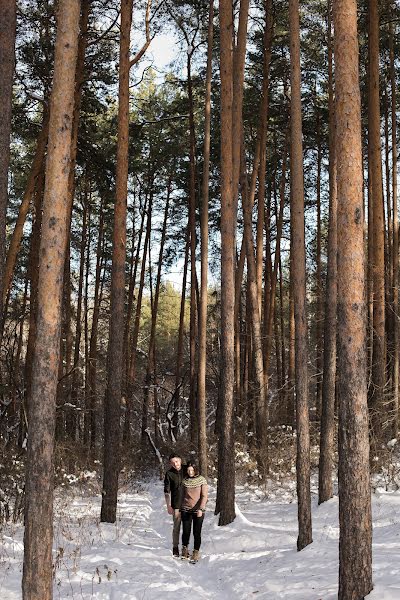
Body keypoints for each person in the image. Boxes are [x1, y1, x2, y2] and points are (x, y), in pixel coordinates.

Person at [180, 464, 208, 563]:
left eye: (192, 470)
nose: (190, 472)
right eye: (188, 470)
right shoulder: (185, 481)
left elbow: (204, 496)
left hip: (198, 511)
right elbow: (182, 495)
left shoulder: (202, 480)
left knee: (197, 532)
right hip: (186, 509)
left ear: (195, 470)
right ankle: (184, 550)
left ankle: (196, 552)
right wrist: (180, 508)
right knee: (186, 531)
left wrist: (201, 508)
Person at [164, 453, 187, 557]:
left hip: (188, 504)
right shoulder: (169, 474)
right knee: (177, 527)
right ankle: (175, 547)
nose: (175, 464)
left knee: (187, 527)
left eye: (176, 461)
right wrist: (168, 505)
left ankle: (185, 548)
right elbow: (166, 491)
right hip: (176, 505)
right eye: (172, 462)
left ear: (180, 461)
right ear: (170, 463)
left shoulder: (187, 470)